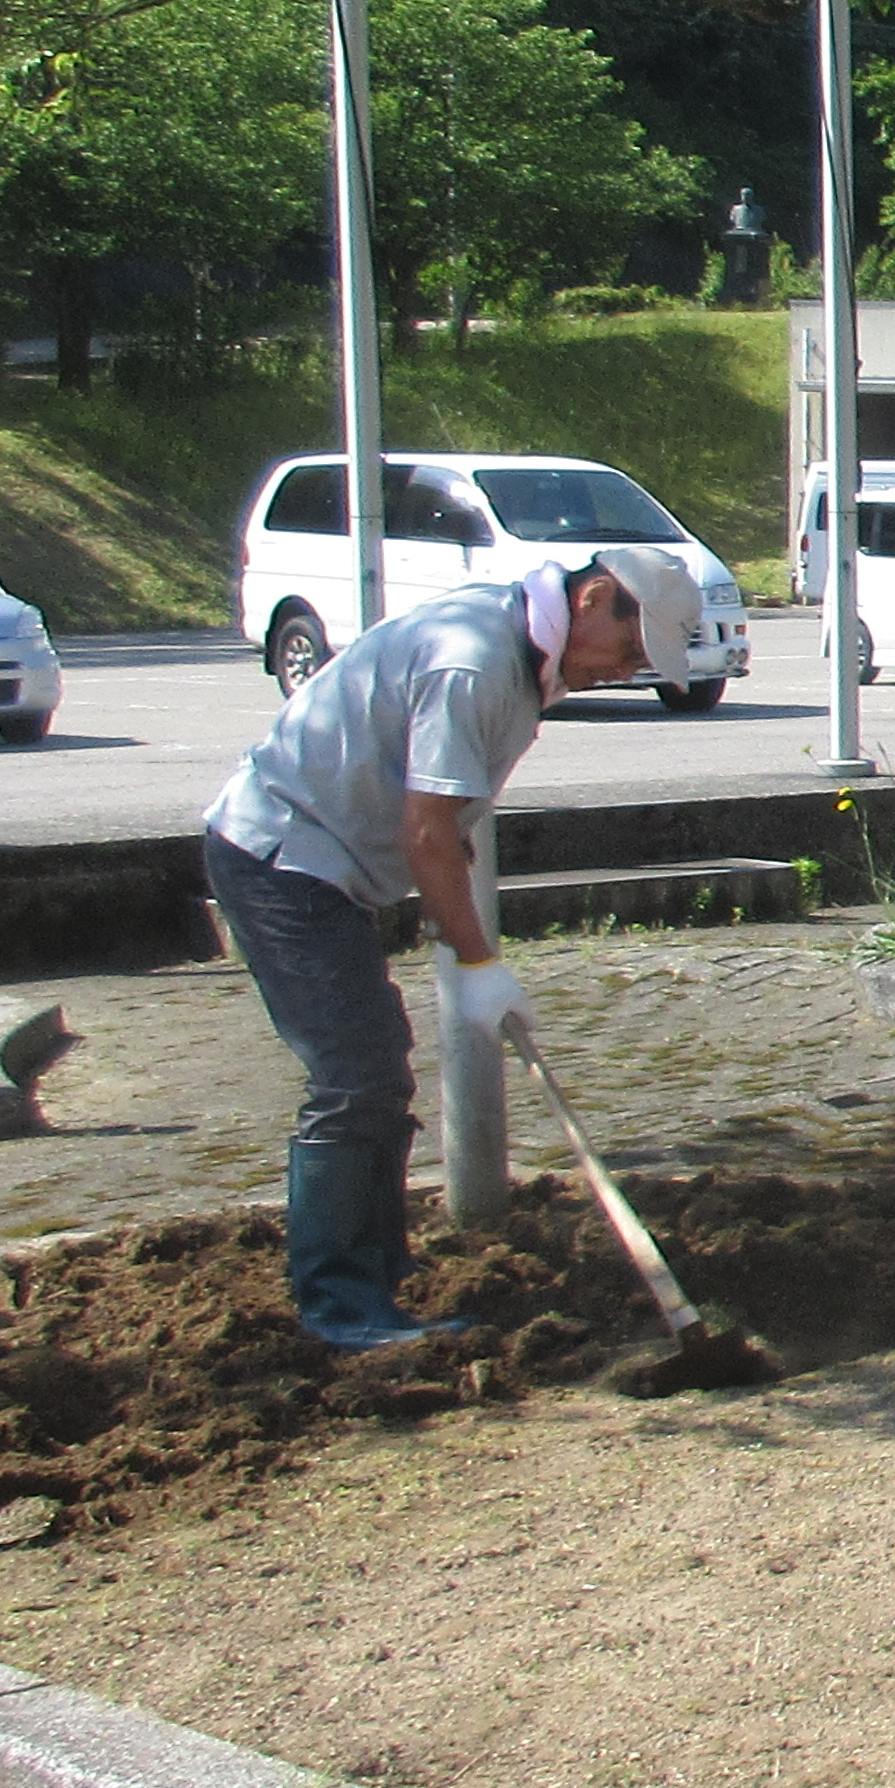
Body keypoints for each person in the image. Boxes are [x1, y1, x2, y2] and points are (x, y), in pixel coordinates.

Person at [202, 547, 688, 1350]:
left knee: (375, 1067)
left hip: (328, 863)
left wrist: (461, 919)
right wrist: (476, 963)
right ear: (597, 597)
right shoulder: (475, 660)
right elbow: (425, 834)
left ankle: (377, 1271)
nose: (624, 671)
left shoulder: (520, 657)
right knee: (355, 1073)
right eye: (630, 650)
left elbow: (444, 821)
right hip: (278, 854)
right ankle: (340, 1309)